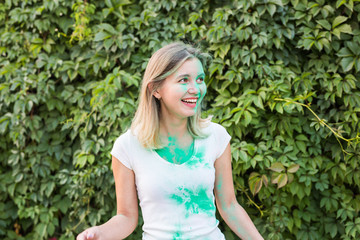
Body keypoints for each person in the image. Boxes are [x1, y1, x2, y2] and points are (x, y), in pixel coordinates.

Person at [77, 42, 264, 240]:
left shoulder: (215, 137)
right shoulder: (127, 147)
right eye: (184, 80)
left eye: (199, 79)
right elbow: (126, 217)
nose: (195, 89)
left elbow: (229, 206)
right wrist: (99, 233)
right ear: (155, 89)